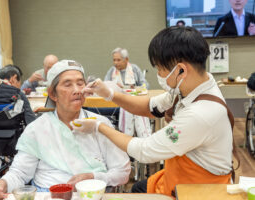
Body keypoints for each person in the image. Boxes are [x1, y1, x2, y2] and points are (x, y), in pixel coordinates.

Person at [73, 26, 235, 197]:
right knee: (139, 188)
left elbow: (145, 150)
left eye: (159, 68)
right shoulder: (192, 85)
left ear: (181, 70)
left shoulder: (200, 114)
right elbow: (149, 106)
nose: (158, 73)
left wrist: (99, 127)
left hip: (200, 189)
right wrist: (110, 94)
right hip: (179, 174)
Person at [0, 60, 130, 200]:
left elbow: (122, 172)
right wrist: (3, 183)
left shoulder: (100, 124)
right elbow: (20, 173)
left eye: (80, 83)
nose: (77, 90)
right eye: (68, 85)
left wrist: (93, 177)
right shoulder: (37, 129)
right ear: (53, 94)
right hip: (47, 195)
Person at [104, 47, 151, 138]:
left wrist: (135, 88)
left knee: (134, 107)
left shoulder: (134, 69)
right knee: (130, 107)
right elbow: (105, 86)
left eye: (118, 60)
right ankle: (129, 136)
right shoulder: (111, 71)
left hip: (133, 99)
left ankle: (142, 136)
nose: (115, 63)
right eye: (114, 60)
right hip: (118, 102)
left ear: (126, 59)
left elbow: (146, 85)